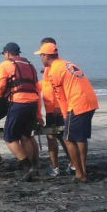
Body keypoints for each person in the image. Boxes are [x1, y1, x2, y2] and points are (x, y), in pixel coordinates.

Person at [35, 42, 98, 183]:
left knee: (69, 139)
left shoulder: (54, 70)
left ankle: (80, 174)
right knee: (80, 138)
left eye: (41, 56)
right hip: (90, 101)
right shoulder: (67, 64)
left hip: (77, 103)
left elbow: (60, 96)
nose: (41, 58)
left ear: (46, 56)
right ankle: (82, 168)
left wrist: (66, 115)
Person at [0, 42, 43, 181]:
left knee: (9, 137)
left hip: (19, 102)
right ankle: (34, 166)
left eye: (4, 54)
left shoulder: (5, 65)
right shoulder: (30, 65)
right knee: (25, 135)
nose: (4, 56)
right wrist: (39, 114)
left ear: (8, 53)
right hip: (33, 103)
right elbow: (36, 86)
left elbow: (0, 84)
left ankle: (27, 166)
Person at [36, 37, 66, 177]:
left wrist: (57, 107)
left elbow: (56, 87)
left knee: (54, 137)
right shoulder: (51, 67)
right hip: (52, 107)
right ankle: (66, 164)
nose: (41, 55)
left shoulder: (55, 67)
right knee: (60, 137)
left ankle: (56, 167)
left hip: (55, 108)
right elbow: (47, 85)